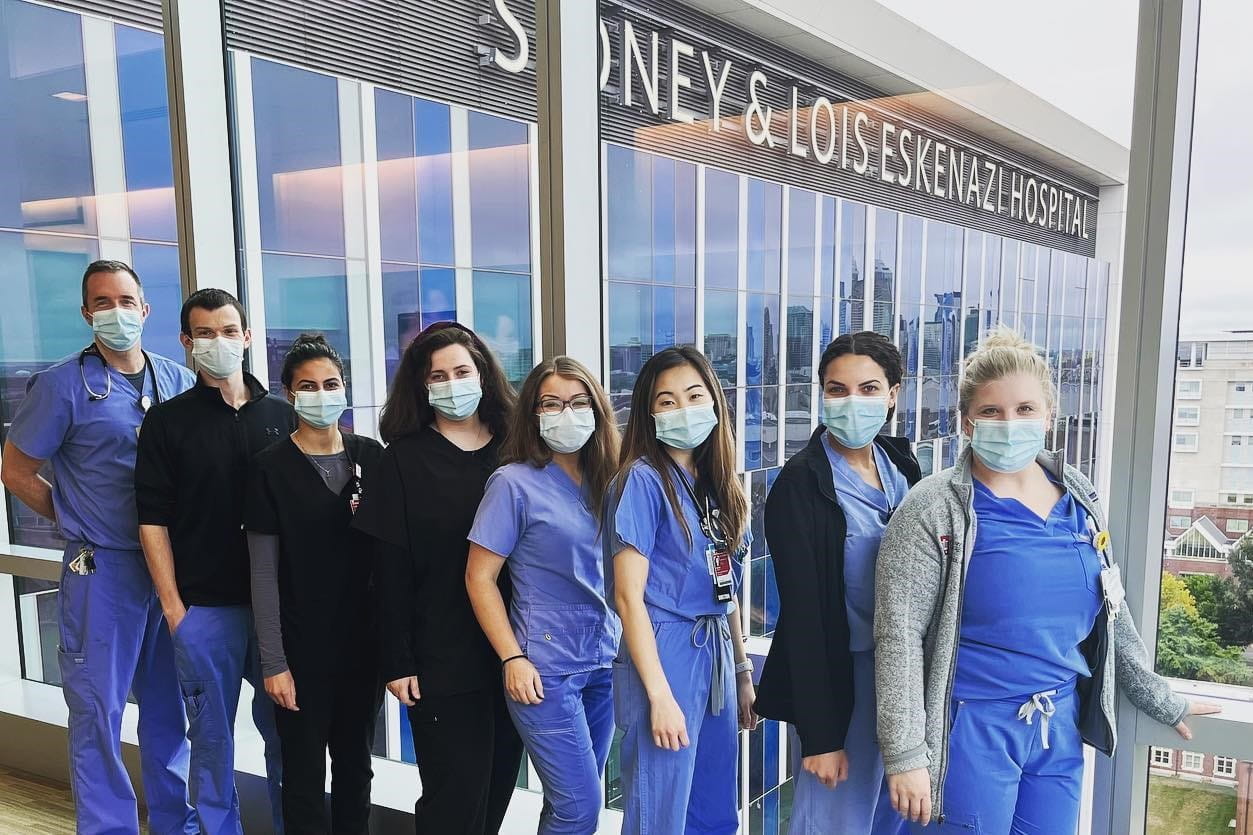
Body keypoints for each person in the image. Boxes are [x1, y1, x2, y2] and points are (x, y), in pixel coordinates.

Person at [875, 327, 1222, 832]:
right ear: (966, 422)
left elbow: (1112, 607)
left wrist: (1155, 696)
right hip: (970, 727)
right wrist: (905, 754)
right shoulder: (932, 508)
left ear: (1049, 418)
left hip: (1056, 725)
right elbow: (898, 637)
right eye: (991, 411)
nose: (1009, 423)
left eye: (1025, 410)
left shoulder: (1077, 493)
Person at [0, 260, 197, 835]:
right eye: (103, 302)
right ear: (87, 313)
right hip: (103, 570)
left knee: (170, 707)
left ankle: (175, 823)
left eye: (126, 300)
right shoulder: (61, 386)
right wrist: (72, 517)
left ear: (146, 308)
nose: (117, 312)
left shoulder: (177, 381)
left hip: (171, 569)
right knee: (97, 712)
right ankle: (109, 828)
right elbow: (16, 470)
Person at [352, 321, 524, 834]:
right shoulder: (401, 461)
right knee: (454, 803)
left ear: (484, 375)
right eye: (439, 375)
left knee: (496, 794)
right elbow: (388, 571)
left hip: (518, 654)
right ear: (423, 387)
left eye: (463, 371)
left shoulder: (518, 450)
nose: (453, 383)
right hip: (440, 658)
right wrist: (397, 661)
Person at [135, 288, 290, 835]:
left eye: (228, 331)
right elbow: (151, 519)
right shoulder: (168, 422)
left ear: (247, 338)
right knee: (210, 745)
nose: (218, 343)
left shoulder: (283, 415)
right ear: (185, 342)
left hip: (279, 616)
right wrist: (176, 610)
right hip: (206, 611)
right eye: (205, 334)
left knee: (287, 740)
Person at [755, 332, 921, 835]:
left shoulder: (902, 464)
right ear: (821, 395)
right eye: (837, 389)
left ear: (894, 393)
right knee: (835, 823)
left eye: (869, 389)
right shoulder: (800, 484)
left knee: (894, 817)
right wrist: (823, 737)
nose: (853, 402)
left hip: (904, 676)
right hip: (843, 684)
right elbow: (803, 618)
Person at [604, 345, 758, 834]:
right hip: (665, 651)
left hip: (712, 651)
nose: (683, 409)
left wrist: (740, 669)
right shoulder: (643, 481)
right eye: (667, 401)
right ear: (649, 414)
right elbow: (628, 599)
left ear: (714, 402)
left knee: (713, 809)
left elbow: (725, 586)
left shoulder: (715, 484)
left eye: (694, 396)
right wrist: (660, 696)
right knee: (660, 810)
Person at [465, 356, 622, 834]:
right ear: (533, 414)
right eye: (550, 404)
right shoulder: (512, 484)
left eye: (577, 402)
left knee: (571, 800)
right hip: (545, 670)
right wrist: (512, 657)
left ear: (596, 409)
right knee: (579, 808)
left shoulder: (611, 480)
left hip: (605, 660)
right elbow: (479, 578)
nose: (565, 414)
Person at [245, 334, 385, 833]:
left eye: (331, 383)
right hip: (301, 653)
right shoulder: (269, 468)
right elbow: (262, 573)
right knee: (303, 777)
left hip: (362, 650)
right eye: (308, 386)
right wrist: (275, 664)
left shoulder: (372, 457)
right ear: (288, 393)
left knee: (356, 770)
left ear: (344, 388)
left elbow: (389, 560)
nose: (321, 394)